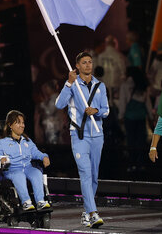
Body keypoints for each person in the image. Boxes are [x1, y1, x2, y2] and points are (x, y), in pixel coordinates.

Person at [55, 51, 109, 228]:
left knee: (93, 176)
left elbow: (106, 110)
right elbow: (59, 104)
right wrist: (69, 83)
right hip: (79, 136)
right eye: (84, 63)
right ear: (77, 66)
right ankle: (93, 213)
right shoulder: (73, 86)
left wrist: (97, 111)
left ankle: (86, 212)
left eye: (90, 62)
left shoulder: (100, 86)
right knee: (85, 173)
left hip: (97, 135)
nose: (88, 65)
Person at [0, 110, 50, 210]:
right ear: (10, 125)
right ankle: (26, 202)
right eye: (18, 122)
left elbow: (35, 152)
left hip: (27, 167)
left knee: (37, 173)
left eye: (23, 123)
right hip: (12, 169)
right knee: (20, 176)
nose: (22, 125)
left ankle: (40, 201)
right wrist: (1, 159)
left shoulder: (27, 141)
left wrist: (44, 157)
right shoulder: (2, 142)